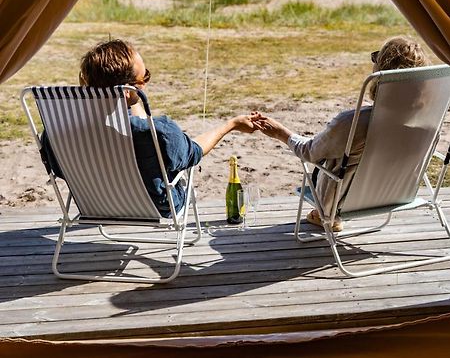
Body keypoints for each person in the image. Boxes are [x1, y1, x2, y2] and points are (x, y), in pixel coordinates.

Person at [43, 39, 259, 218]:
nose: (146, 82)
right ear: (127, 91)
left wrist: (131, 99)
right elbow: (194, 152)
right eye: (144, 78)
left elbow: (60, 172)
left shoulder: (55, 133)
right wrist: (231, 125)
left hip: (93, 206)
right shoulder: (158, 133)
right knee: (177, 166)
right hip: (156, 207)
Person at [254, 36, 429, 232]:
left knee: (328, 160)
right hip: (395, 195)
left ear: (381, 73)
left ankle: (325, 218)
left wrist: (280, 132)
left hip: (340, 203)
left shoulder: (353, 122)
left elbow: (309, 152)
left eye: (376, 59)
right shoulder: (429, 120)